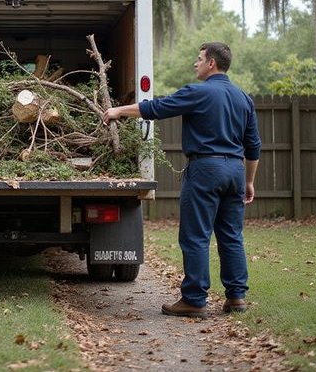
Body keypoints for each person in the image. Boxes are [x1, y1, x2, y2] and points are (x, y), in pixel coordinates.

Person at [103, 42, 261, 318]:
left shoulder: (198, 92)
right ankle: (236, 297)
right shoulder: (243, 98)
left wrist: (119, 111)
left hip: (205, 170)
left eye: (199, 59)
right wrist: (249, 182)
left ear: (211, 63)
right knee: (231, 236)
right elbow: (253, 146)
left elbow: (157, 108)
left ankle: (194, 299)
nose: (195, 63)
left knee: (196, 236)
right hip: (235, 171)